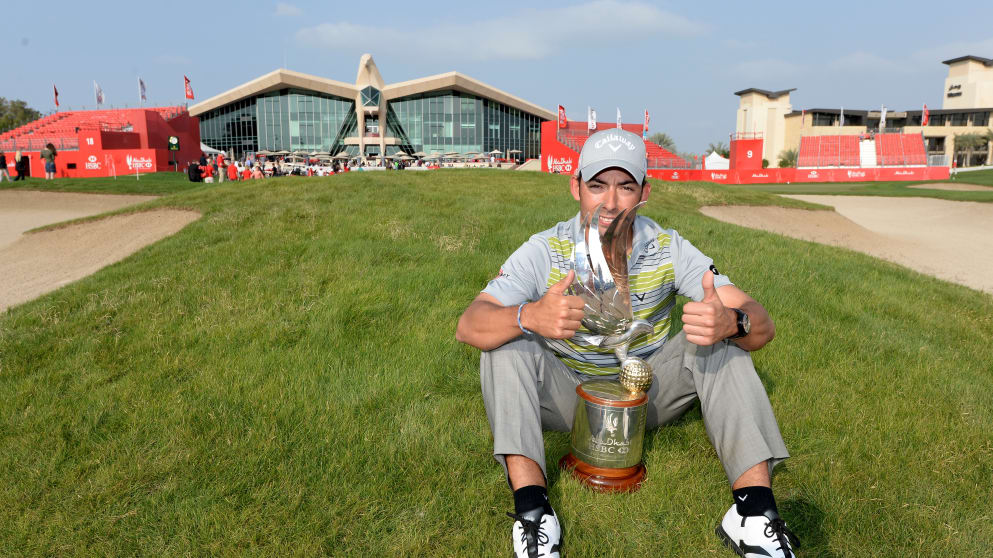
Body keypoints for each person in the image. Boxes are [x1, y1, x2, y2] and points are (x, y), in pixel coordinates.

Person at [455, 129, 796, 558]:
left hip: (648, 397)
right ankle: (534, 516)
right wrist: (529, 316)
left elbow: (761, 324)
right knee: (505, 341)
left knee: (722, 339)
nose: (610, 203)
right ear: (575, 187)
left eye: (625, 187)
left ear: (644, 193)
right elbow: (470, 324)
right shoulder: (545, 249)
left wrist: (733, 321)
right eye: (597, 185)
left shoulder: (668, 247)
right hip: (570, 400)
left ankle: (754, 515)